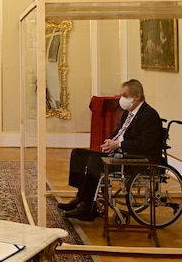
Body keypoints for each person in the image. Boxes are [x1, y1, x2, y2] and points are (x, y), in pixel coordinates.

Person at [59, 79, 163, 221]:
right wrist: (109, 142)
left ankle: (87, 206)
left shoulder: (149, 116)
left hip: (136, 158)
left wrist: (119, 145)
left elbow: (145, 144)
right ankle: (81, 197)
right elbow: (118, 132)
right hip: (119, 151)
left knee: (93, 161)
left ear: (137, 96)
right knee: (77, 154)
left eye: (125, 96)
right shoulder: (128, 113)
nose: (121, 99)